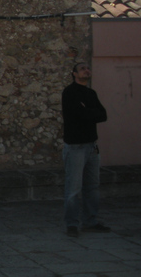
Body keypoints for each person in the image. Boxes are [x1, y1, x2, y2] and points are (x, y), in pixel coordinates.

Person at [61, 62, 110, 237]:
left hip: (92, 146)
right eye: (82, 68)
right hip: (75, 147)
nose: (86, 70)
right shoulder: (70, 92)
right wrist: (91, 113)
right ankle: (72, 224)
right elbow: (77, 115)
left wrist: (87, 111)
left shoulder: (91, 93)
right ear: (74, 73)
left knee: (93, 186)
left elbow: (103, 115)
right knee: (73, 188)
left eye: (88, 68)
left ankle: (90, 221)